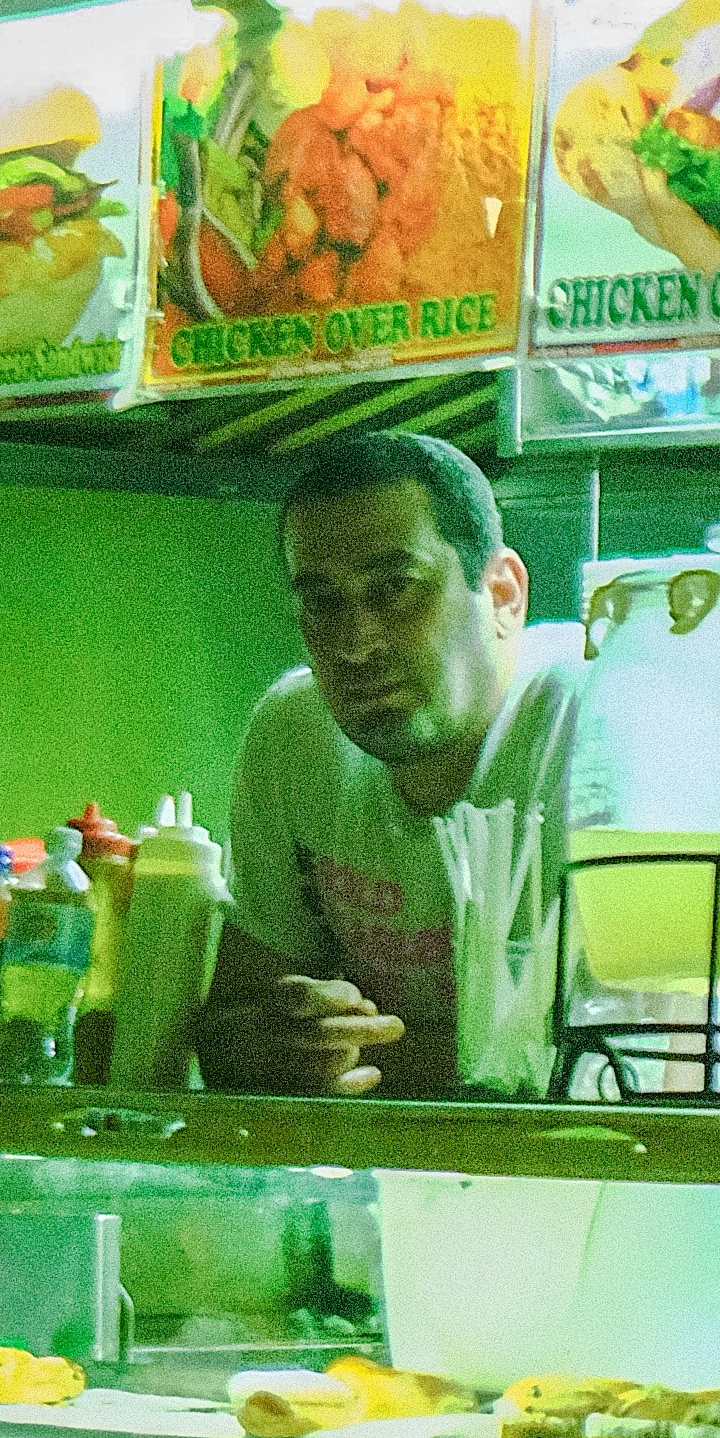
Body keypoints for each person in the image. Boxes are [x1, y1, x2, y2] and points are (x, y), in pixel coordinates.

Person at [197, 430, 580, 1098]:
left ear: (502, 595)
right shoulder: (295, 730)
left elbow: (598, 1067)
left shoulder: (592, 725)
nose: (355, 642)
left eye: (395, 588)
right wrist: (286, 1041)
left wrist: (365, 1062)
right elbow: (231, 1027)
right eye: (322, 601)